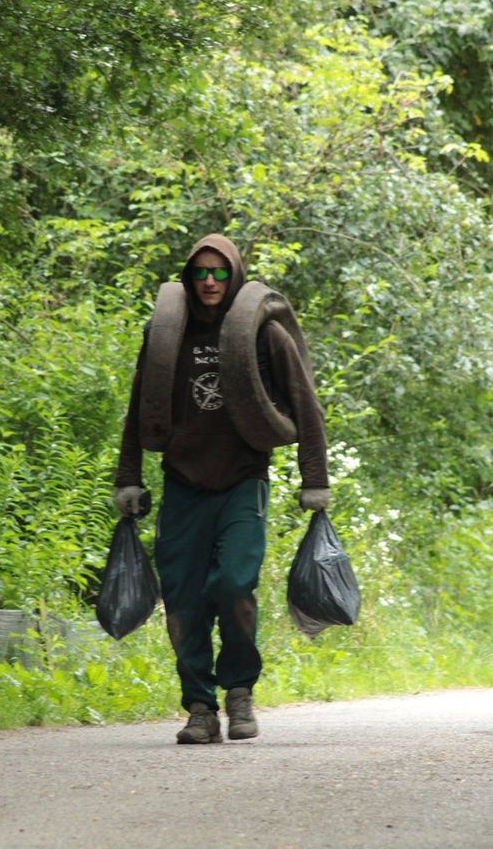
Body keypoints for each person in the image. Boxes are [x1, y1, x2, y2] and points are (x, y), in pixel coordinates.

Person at [113, 233, 329, 744]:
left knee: (233, 585)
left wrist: (313, 482)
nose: (210, 282)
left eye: (220, 273)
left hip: (242, 482)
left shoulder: (263, 337)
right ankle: (200, 708)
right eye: (200, 273)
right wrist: (128, 477)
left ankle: (239, 692)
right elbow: (138, 408)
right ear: (189, 278)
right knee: (184, 598)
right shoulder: (167, 334)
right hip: (183, 483)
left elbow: (305, 405)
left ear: (235, 276)